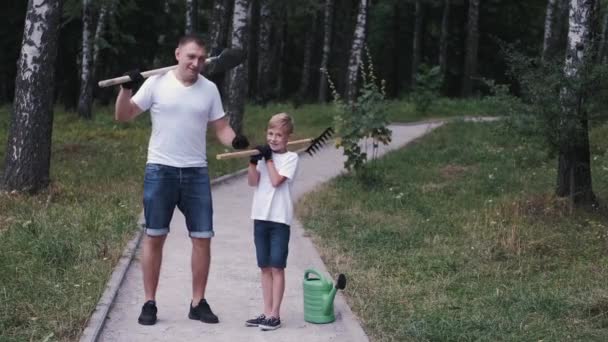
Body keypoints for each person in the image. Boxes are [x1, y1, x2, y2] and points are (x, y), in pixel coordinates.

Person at [114, 34, 249, 326]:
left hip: (195, 174)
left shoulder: (209, 89)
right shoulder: (156, 83)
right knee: (154, 237)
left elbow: (222, 128)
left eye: (201, 58)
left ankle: (198, 302)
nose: (196, 63)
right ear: (177, 54)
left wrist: (236, 141)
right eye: (190, 57)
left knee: (202, 239)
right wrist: (126, 88)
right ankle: (149, 303)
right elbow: (124, 115)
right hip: (160, 170)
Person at [245, 113, 299, 331]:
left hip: (279, 219)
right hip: (260, 217)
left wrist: (268, 159)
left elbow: (276, 181)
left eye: (279, 135)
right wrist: (252, 162)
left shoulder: (291, 158)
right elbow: (252, 182)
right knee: (264, 267)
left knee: (277, 266)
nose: (274, 138)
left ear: (287, 139)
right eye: (270, 133)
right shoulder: (262, 156)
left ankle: (275, 314)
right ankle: (266, 312)